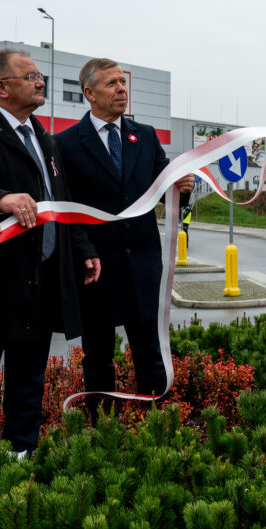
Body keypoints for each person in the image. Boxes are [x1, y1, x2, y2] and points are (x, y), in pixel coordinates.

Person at [0, 49, 101, 453]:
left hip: (40, 281)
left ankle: (21, 454)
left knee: (29, 378)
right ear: (1, 87)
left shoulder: (45, 139)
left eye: (39, 75)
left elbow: (60, 200)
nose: (40, 82)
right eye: (30, 76)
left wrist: (82, 248)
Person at [55, 57, 194, 422]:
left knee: (149, 349)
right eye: (112, 84)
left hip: (143, 264)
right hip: (96, 265)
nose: (121, 89)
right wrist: (83, 251)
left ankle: (156, 421)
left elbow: (165, 190)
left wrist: (182, 187)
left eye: (122, 82)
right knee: (98, 354)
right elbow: (66, 207)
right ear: (89, 93)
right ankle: (102, 426)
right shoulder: (65, 144)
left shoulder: (145, 136)